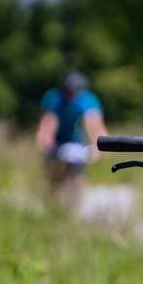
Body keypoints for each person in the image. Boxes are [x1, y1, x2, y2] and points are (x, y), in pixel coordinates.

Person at [35, 71, 107, 204]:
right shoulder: (54, 97)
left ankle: (74, 203)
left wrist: (98, 146)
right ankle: (53, 203)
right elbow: (48, 123)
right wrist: (45, 141)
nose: (71, 96)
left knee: (76, 176)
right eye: (68, 92)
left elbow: (94, 124)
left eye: (74, 93)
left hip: (75, 141)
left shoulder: (87, 99)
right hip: (57, 141)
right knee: (54, 174)